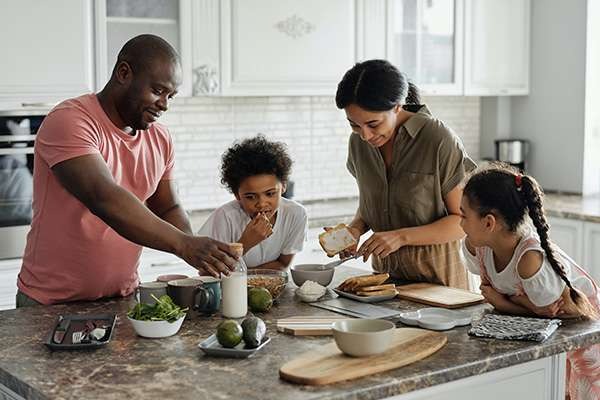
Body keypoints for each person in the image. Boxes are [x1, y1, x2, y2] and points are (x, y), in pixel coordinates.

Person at [17, 34, 239, 307]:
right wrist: (184, 244)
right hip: (50, 303)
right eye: (158, 91)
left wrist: (198, 252)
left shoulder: (160, 138)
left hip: (122, 298)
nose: (165, 104)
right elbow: (104, 197)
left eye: (171, 96)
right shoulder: (70, 120)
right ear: (124, 73)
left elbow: (168, 207)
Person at [460, 164, 600, 400]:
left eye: (464, 215)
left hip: (582, 327)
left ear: (489, 223)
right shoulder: (478, 246)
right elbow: (537, 310)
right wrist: (525, 305)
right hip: (541, 326)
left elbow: (557, 315)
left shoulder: (529, 260)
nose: (460, 223)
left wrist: (505, 305)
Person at [334, 59, 476, 289]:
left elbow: (463, 221)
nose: (365, 136)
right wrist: (355, 229)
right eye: (354, 125)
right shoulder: (358, 144)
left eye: (373, 124)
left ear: (398, 106)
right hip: (385, 284)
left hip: (441, 284)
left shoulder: (437, 139)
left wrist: (400, 237)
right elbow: (374, 203)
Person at [198, 135, 307, 270]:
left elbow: (283, 264)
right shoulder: (225, 217)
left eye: (270, 194)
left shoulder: (295, 214)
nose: (261, 204)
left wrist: (249, 277)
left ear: (283, 186)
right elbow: (207, 272)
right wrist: (246, 242)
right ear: (237, 194)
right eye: (250, 197)